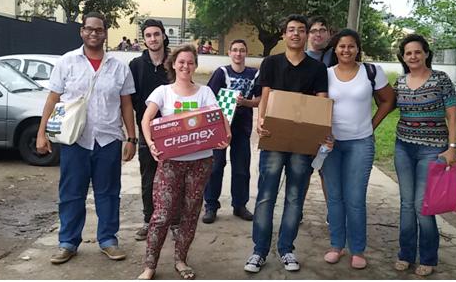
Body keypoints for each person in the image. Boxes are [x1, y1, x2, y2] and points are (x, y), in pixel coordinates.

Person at [36, 11, 137, 264]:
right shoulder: (67, 62)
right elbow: (52, 99)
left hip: (108, 140)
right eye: (89, 29)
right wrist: (42, 133)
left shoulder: (119, 67)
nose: (94, 33)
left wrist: (131, 138)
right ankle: (68, 242)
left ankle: (108, 240)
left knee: (109, 193)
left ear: (105, 33)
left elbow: (126, 105)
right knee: (71, 193)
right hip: (75, 141)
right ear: (82, 31)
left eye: (99, 30)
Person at [244, 14, 331, 273]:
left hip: (303, 143)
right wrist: (260, 121)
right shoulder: (271, 63)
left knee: (294, 198)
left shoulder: (317, 70)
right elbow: (265, 96)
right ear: (283, 35)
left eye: (301, 30)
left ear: (306, 35)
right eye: (291, 30)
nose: (296, 34)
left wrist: (322, 133)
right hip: (274, 137)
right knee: (265, 196)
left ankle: (286, 249)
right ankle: (259, 250)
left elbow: (321, 102)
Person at [137, 44, 231, 280]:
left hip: (200, 163)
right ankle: (150, 265)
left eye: (190, 62)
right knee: (161, 215)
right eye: (181, 62)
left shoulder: (205, 93)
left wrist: (225, 137)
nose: (185, 66)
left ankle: (181, 260)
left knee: (190, 214)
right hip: (170, 163)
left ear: (195, 65)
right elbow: (146, 120)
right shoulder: (163, 92)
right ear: (173, 64)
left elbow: (219, 119)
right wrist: (151, 144)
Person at [320, 29, 395, 269]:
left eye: (351, 46)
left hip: (361, 143)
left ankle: (358, 249)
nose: (346, 50)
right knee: (334, 197)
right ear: (335, 49)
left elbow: (388, 100)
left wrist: (372, 125)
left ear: (357, 48)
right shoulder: (325, 74)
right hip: (331, 144)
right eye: (342, 46)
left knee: (355, 198)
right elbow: (316, 106)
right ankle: (336, 245)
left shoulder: (371, 72)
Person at [393, 34, 456, 276]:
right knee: (406, 204)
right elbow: (385, 103)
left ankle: (429, 257)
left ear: (426, 53)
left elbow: (452, 114)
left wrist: (452, 147)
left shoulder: (441, 79)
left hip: (432, 150)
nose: (413, 56)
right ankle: (405, 254)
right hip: (403, 147)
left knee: (423, 205)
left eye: (417, 52)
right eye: (408, 53)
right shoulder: (400, 82)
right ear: (403, 57)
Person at [202, 39, 262, 224]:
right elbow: (209, 98)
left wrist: (245, 103)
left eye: (242, 50)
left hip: (242, 127)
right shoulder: (221, 72)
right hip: (220, 125)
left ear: (246, 53)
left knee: (242, 167)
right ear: (229, 52)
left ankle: (240, 205)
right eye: (235, 50)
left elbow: (260, 100)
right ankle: (211, 205)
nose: (238, 53)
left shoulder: (254, 73)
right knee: (216, 166)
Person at [129, 19, 171, 242]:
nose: (153, 39)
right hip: (147, 132)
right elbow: (130, 100)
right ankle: (149, 220)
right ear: (144, 39)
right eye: (148, 35)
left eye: (157, 34)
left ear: (164, 36)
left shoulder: (174, 63)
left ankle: (173, 222)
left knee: (174, 179)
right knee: (149, 177)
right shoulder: (136, 65)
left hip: (174, 132)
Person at [303, 15, 332, 223]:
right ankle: (297, 212)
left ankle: (333, 213)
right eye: (313, 31)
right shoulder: (300, 58)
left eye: (322, 30)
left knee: (327, 172)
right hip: (304, 123)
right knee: (301, 171)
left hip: (331, 124)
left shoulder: (338, 56)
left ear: (329, 34)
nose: (318, 34)